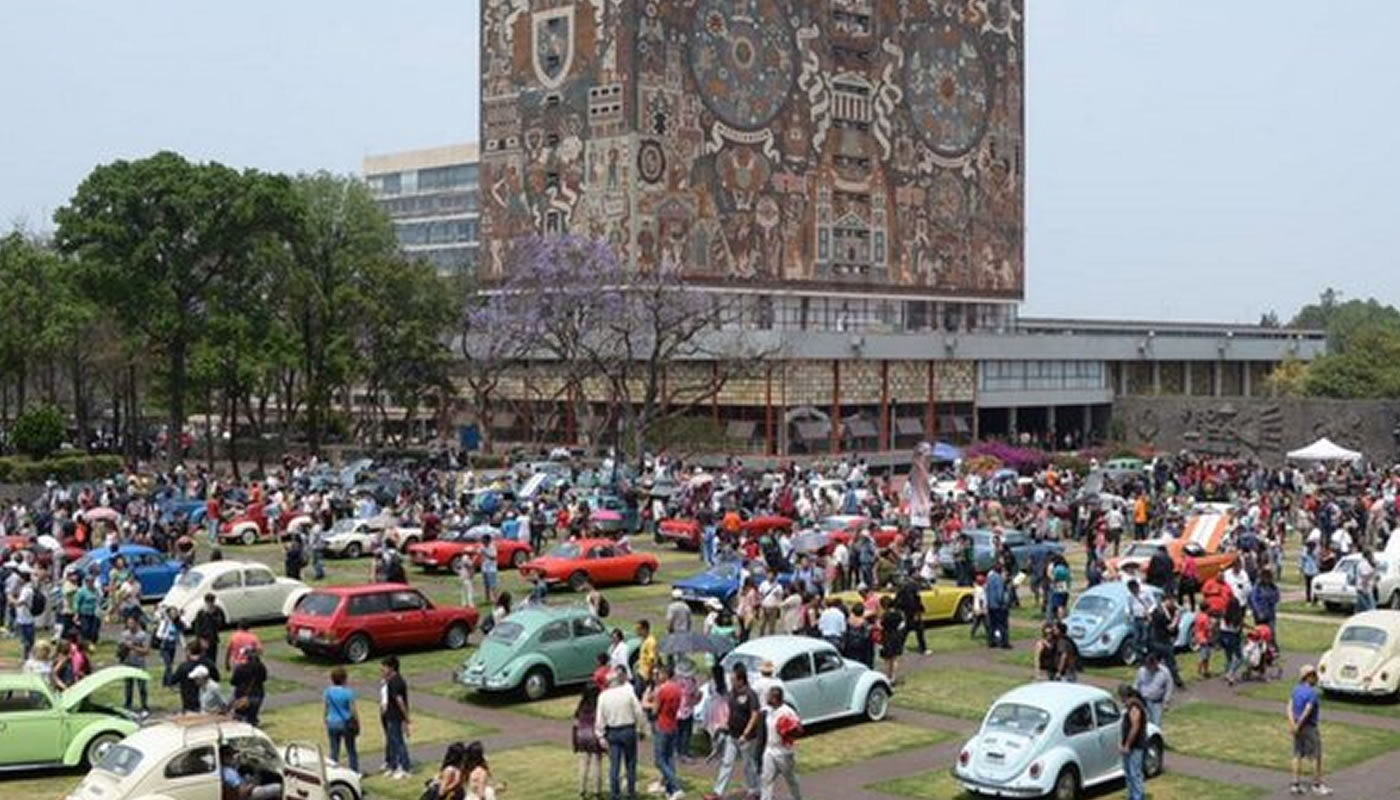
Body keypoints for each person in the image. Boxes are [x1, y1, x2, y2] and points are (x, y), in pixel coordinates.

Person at [708, 663, 760, 800]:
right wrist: (725, 724)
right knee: (727, 763)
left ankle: (754, 791)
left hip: (747, 738)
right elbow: (730, 711)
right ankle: (718, 792)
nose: (731, 681)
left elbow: (755, 715)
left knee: (748, 765)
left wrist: (746, 734)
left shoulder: (750, 694)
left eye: (733, 679)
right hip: (732, 734)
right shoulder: (732, 693)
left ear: (741, 680)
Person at [596, 667, 647, 800]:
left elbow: (600, 718)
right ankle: (631, 792)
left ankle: (615, 794)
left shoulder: (603, 696)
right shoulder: (628, 693)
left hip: (613, 731)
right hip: (628, 729)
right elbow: (639, 712)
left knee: (614, 765)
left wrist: (600, 734)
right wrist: (642, 729)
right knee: (630, 763)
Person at [1288, 664, 1332, 796]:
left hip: (1296, 726)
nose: (1316, 678)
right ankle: (1317, 785)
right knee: (1315, 756)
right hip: (1309, 727)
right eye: (1314, 675)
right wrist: (1300, 724)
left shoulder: (1295, 690)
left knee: (1297, 755)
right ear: (1308, 677)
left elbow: (1289, 707)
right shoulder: (1313, 693)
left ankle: (1295, 784)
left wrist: (1293, 725)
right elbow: (1307, 710)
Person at [760, 685, 803, 800]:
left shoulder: (787, 711)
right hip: (769, 749)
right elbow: (758, 713)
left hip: (784, 751)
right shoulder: (768, 710)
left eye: (769, 696)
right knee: (766, 779)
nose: (767, 698)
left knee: (790, 778)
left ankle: (797, 797)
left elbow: (800, 729)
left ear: (775, 698)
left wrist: (787, 731)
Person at [649, 663, 684, 800]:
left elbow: (655, 710)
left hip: (662, 725)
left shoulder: (662, 690)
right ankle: (671, 790)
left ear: (665, 674)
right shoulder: (678, 688)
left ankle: (675, 786)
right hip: (673, 724)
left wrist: (649, 704)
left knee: (659, 760)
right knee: (669, 758)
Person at [379, 656, 412, 778]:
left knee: (398, 742)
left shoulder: (396, 681)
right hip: (390, 715)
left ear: (392, 667)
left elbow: (400, 700)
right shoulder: (390, 680)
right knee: (392, 741)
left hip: (395, 716)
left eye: (385, 666)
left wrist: (406, 717)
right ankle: (392, 765)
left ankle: (405, 767)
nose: (382, 669)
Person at [324, 666, 361, 774]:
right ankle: (354, 771)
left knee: (334, 749)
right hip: (345, 723)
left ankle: (332, 771)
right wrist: (357, 723)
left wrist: (326, 718)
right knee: (351, 749)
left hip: (332, 722)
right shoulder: (348, 693)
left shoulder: (328, 692)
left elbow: (326, 707)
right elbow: (353, 710)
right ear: (344, 679)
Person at [574, 682, 606, 800]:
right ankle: (597, 792)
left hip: (582, 735)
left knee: (583, 764)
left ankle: (582, 791)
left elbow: (576, 723)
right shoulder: (599, 706)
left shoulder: (581, 705)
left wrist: (575, 742)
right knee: (596, 764)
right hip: (595, 735)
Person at [1118, 683, 1148, 800]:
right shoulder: (1130, 706)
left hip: (1135, 746)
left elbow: (1135, 727)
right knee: (1129, 773)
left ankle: (1137, 797)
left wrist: (1127, 745)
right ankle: (1132, 796)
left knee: (1135, 773)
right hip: (1130, 746)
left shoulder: (1134, 706)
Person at [173, 642, 220, 713]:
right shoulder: (209, 664)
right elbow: (217, 678)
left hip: (189, 703)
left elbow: (173, 680)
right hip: (207, 703)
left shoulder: (183, 667)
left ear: (189, 652)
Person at [118, 614, 151, 714]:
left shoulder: (143, 635)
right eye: (128, 623)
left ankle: (144, 705)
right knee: (128, 685)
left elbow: (146, 651)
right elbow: (119, 649)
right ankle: (128, 704)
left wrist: (133, 647)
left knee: (142, 686)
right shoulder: (124, 634)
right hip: (128, 662)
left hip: (139, 663)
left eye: (132, 623)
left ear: (136, 623)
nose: (130, 625)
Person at [1135, 652, 1173, 727]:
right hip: (1143, 702)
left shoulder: (1164, 672)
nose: (1149, 668)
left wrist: (1166, 701)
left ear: (1156, 663)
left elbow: (1169, 687)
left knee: (1156, 724)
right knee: (1145, 724)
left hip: (1157, 703)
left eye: (1152, 665)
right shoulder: (1142, 671)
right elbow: (1137, 684)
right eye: (1148, 666)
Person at [231, 648, 268, 725]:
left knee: (240, 716)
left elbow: (233, 682)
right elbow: (264, 678)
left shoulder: (240, 668)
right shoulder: (261, 667)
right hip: (257, 693)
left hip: (242, 694)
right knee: (252, 716)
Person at [193, 593, 227, 664]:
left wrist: (211, 615)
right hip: (204, 638)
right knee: (204, 658)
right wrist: (200, 639)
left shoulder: (217, 610)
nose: (210, 604)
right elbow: (197, 627)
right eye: (208, 602)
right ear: (205, 602)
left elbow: (222, 623)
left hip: (213, 638)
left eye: (212, 602)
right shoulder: (201, 612)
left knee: (213, 658)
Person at [878, 595, 905, 684]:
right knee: (894, 658)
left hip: (887, 637)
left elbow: (881, 626)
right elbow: (902, 625)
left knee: (887, 658)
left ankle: (887, 675)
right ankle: (893, 676)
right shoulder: (898, 613)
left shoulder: (885, 615)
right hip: (896, 637)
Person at [985, 564, 1010, 649]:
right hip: (998, 606)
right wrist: (1003, 603)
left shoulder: (990, 578)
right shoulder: (999, 579)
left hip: (990, 605)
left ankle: (991, 642)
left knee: (992, 624)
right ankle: (1004, 643)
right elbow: (1000, 594)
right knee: (1002, 625)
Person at [634, 620, 658, 697]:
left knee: (641, 696)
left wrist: (649, 676)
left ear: (645, 629)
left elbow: (652, 660)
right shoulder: (645, 640)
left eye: (639, 629)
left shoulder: (650, 642)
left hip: (645, 675)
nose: (637, 631)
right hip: (641, 672)